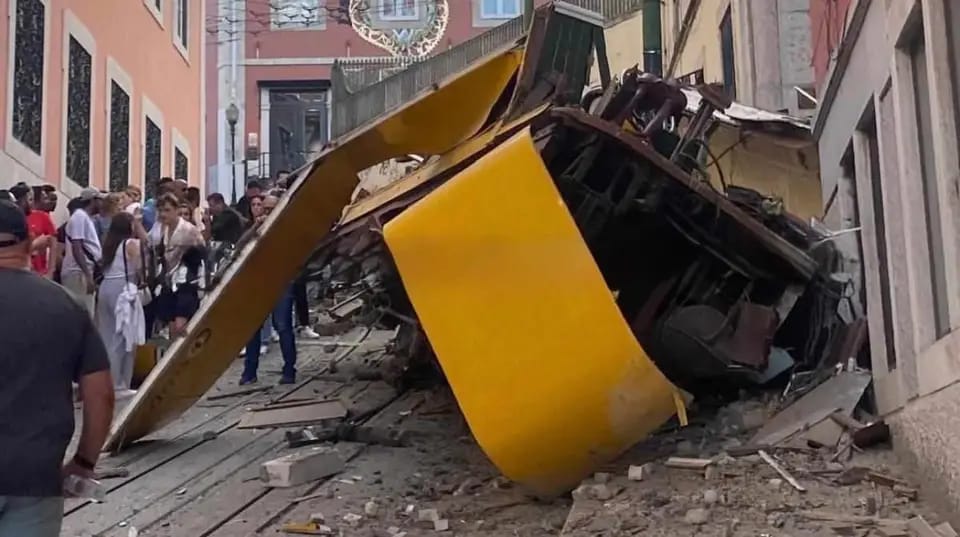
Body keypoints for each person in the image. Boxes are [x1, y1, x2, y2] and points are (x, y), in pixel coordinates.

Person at [0, 200, 114, 536]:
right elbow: (102, 395)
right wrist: (84, 462)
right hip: (35, 479)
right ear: (28, 240)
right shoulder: (65, 305)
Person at [240, 194, 297, 385]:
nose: (267, 213)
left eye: (272, 209)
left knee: (283, 327)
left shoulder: (287, 228)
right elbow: (240, 247)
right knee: (253, 329)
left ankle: (289, 370)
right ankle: (249, 372)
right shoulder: (256, 228)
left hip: (280, 282)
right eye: (265, 209)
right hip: (258, 284)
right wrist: (256, 227)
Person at [96, 213, 145, 399]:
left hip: (106, 288)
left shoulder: (109, 244)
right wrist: (140, 229)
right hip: (123, 289)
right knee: (123, 337)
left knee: (108, 335)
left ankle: (109, 382)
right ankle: (119, 383)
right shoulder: (130, 244)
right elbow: (139, 265)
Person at [152, 193, 204, 338]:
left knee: (182, 327)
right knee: (172, 327)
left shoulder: (188, 230)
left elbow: (202, 253)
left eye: (167, 210)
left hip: (186, 282)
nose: (163, 214)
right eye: (161, 210)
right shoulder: (163, 229)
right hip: (169, 282)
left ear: (175, 210)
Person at [61, 188, 103, 315]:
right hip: (78, 273)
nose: (102, 204)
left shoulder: (85, 218)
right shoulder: (79, 217)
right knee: (83, 313)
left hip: (83, 272)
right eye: (100, 200)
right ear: (93, 200)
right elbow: (77, 246)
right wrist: (87, 275)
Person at [10, 184, 57, 278]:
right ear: (22, 201)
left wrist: (50, 271)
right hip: (15, 270)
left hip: (38, 272)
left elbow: (53, 242)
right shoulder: (10, 219)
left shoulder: (42, 216)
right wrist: (35, 244)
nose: (32, 203)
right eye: (30, 199)